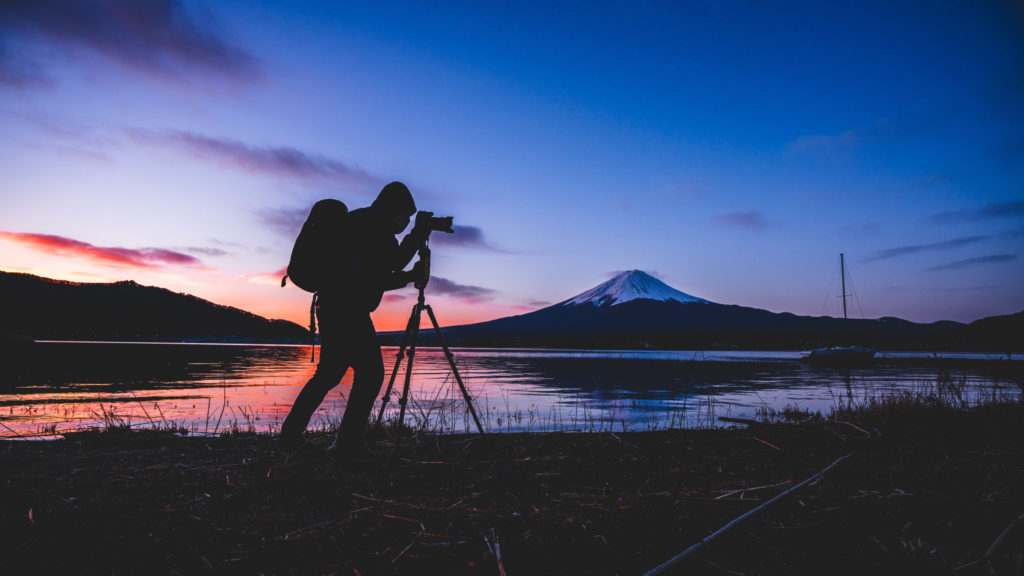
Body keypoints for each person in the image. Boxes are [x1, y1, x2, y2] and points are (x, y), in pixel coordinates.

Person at [279, 181, 428, 457]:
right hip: (347, 311)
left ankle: (290, 438)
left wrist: (408, 278)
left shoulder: (363, 222)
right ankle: (346, 443)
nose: (405, 225)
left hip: (335, 308)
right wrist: (419, 234)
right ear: (394, 209)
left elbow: (376, 276)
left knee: (329, 375)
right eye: (405, 218)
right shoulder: (373, 222)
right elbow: (395, 260)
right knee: (371, 374)